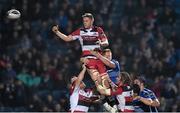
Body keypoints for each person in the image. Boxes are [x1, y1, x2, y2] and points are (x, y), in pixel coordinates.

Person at [52, 13, 110, 89]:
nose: (85, 22)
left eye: (87, 21)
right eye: (84, 21)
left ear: (92, 21)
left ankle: (107, 98)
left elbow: (106, 42)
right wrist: (57, 32)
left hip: (99, 58)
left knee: (106, 84)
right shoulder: (80, 31)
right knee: (98, 80)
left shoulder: (98, 30)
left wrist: (101, 43)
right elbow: (67, 38)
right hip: (88, 60)